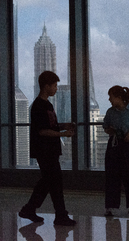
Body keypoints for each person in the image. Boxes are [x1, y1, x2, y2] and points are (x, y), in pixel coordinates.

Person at [19, 71, 77, 226]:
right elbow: (42, 131)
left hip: (49, 150)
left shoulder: (47, 105)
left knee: (48, 181)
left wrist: (63, 126)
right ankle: (59, 215)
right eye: (55, 85)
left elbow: (49, 125)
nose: (56, 89)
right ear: (46, 86)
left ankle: (30, 209)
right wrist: (62, 133)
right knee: (54, 182)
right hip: (44, 150)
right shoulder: (38, 106)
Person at [103, 85, 129, 216]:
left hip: (128, 145)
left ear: (119, 98)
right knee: (112, 175)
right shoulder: (110, 112)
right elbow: (106, 127)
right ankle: (110, 206)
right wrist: (111, 130)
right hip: (114, 144)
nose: (109, 100)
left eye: (111, 97)